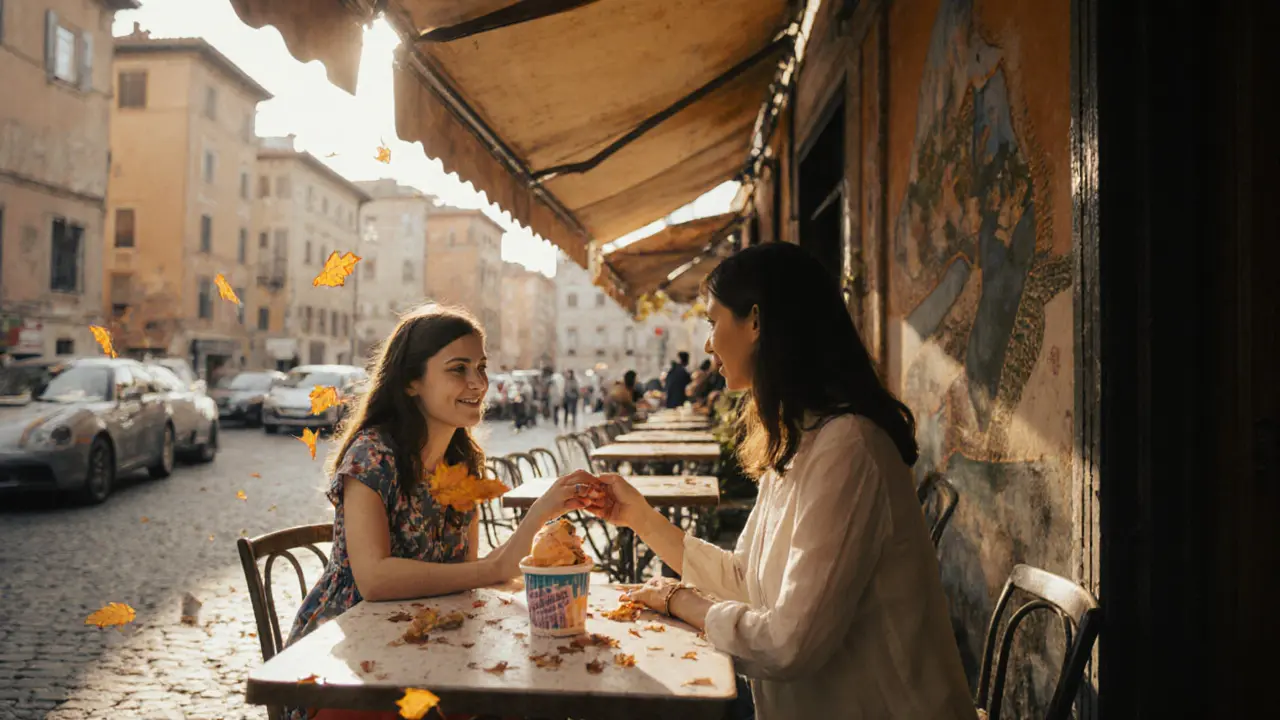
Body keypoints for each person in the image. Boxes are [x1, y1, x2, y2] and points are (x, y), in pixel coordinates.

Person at [579, 243, 975, 719]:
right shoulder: (802, 436)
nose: (708, 343)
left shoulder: (848, 446)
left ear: (756, 323)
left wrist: (677, 599)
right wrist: (637, 517)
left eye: (712, 321)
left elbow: (790, 642)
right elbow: (747, 580)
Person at [282, 304, 594, 720]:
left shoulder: (462, 463)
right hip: (344, 663)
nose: (477, 382)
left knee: (534, 690)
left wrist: (537, 528)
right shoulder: (373, 454)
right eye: (458, 369)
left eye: (481, 367)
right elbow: (374, 579)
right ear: (412, 382)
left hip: (426, 647)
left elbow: (469, 577)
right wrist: (503, 559)